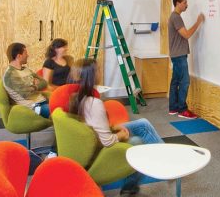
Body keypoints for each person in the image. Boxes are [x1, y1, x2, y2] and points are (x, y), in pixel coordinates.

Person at [69, 58, 163, 196]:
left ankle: (164, 157)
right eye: (99, 70)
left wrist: (113, 127)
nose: (100, 72)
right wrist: (120, 135)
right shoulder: (94, 103)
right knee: (137, 142)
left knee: (142, 124)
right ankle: (131, 186)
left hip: (94, 138)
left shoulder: (77, 97)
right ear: (92, 75)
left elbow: (93, 125)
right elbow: (106, 141)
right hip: (100, 147)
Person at [168, 0, 205, 119]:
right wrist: (198, 22)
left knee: (175, 81)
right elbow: (187, 34)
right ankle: (183, 110)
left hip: (176, 54)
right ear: (177, 3)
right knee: (185, 82)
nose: (186, 5)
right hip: (179, 55)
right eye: (184, 2)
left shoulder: (174, 17)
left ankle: (173, 108)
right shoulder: (176, 17)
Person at [3, 42, 50, 119]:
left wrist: (32, 86)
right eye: (26, 53)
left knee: (66, 105)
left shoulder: (26, 69)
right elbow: (26, 93)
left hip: (42, 100)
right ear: (19, 56)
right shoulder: (10, 75)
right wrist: (35, 84)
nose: (28, 55)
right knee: (58, 111)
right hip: (33, 107)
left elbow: (44, 82)